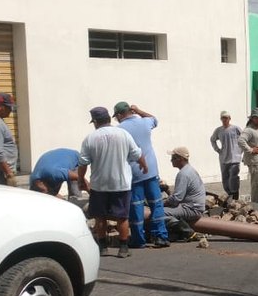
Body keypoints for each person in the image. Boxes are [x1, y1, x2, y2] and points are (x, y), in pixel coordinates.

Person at [78, 106, 146, 258]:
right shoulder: (123, 134)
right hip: (121, 183)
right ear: (108, 118)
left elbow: (83, 163)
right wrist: (144, 166)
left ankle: (103, 247)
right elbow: (137, 154)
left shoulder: (90, 138)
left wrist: (81, 180)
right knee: (122, 217)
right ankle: (123, 248)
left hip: (99, 185)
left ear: (95, 122)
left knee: (100, 217)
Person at [115, 101, 169, 249]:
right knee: (156, 204)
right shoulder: (145, 122)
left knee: (136, 207)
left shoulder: (120, 130)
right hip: (151, 170)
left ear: (119, 115)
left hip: (133, 173)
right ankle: (161, 236)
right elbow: (155, 119)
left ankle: (138, 239)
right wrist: (139, 111)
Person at [162, 146, 206, 239]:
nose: (171, 160)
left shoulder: (183, 174)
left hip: (191, 209)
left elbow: (177, 198)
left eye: (173, 158)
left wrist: (162, 204)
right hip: (195, 207)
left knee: (159, 213)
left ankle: (187, 231)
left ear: (181, 159)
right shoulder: (189, 170)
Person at [238, 107, 258, 206]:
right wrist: (251, 150)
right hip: (255, 161)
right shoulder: (249, 130)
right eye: (256, 118)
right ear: (252, 118)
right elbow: (241, 141)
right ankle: (256, 205)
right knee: (257, 183)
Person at [210, 110, 242, 202]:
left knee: (233, 178)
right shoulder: (218, 130)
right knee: (225, 178)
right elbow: (212, 140)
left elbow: (244, 138)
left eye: (226, 118)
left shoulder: (236, 128)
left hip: (234, 158)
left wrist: (241, 150)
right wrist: (217, 149)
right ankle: (229, 196)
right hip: (224, 158)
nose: (224, 120)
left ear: (229, 118)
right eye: (223, 118)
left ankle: (235, 196)